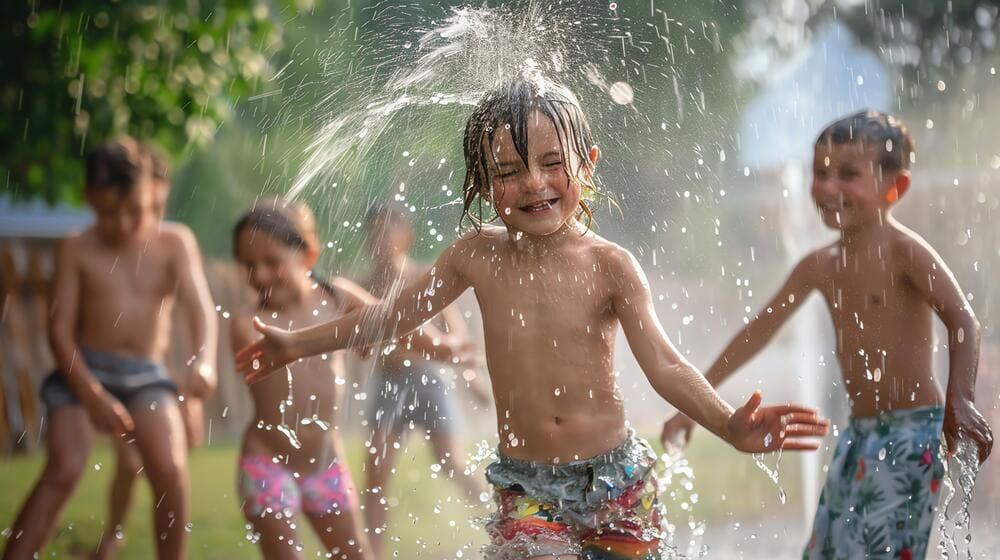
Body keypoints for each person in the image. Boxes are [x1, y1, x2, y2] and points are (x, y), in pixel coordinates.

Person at [235, 75, 829, 559]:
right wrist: (297, 343)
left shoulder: (610, 266)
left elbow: (667, 366)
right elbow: (391, 317)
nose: (533, 184)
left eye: (551, 163)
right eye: (509, 171)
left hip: (615, 480)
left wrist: (728, 424)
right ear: (484, 182)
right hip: (527, 485)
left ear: (587, 164)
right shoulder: (476, 256)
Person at [659, 110, 994, 560]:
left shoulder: (905, 253)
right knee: (825, 552)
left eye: (848, 175)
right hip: (859, 433)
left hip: (915, 432)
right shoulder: (819, 265)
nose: (828, 187)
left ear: (895, 187)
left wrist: (960, 399)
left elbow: (963, 321)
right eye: (820, 172)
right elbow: (755, 333)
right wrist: (692, 407)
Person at [2, 137, 218, 560]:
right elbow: (59, 334)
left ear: (151, 192)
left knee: (170, 469)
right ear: (87, 198)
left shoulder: (175, 242)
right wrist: (91, 393)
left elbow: (201, 310)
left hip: (146, 375)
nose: (121, 224)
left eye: (133, 211)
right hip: (83, 370)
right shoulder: (76, 247)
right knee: (64, 468)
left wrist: (205, 361)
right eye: (106, 213)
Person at [230, 199, 467, 559]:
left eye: (271, 262)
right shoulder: (249, 322)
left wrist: (443, 348)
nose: (259, 276)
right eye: (248, 266)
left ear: (306, 257)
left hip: (325, 466)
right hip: (268, 465)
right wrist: (351, 337)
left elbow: (391, 321)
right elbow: (272, 355)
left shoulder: (335, 297)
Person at [94, 142, 210, 560]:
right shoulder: (119, 239)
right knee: (128, 464)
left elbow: (188, 316)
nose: (148, 217)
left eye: (158, 205)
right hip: (112, 370)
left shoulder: (168, 243)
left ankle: (117, 537)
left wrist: (189, 398)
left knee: (153, 466)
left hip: (153, 372)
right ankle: (114, 535)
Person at [360, 203, 490, 559]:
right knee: (377, 471)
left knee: (451, 461)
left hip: (428, 379)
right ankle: (371, 552)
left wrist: (471, 377)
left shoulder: (422, 275)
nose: (380, 240)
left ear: (406, 236)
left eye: (387, 232)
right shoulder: (364, 284)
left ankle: (497, 523)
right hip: (388, 382)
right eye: (373, 233)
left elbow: (455, 332)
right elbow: (352, 335)